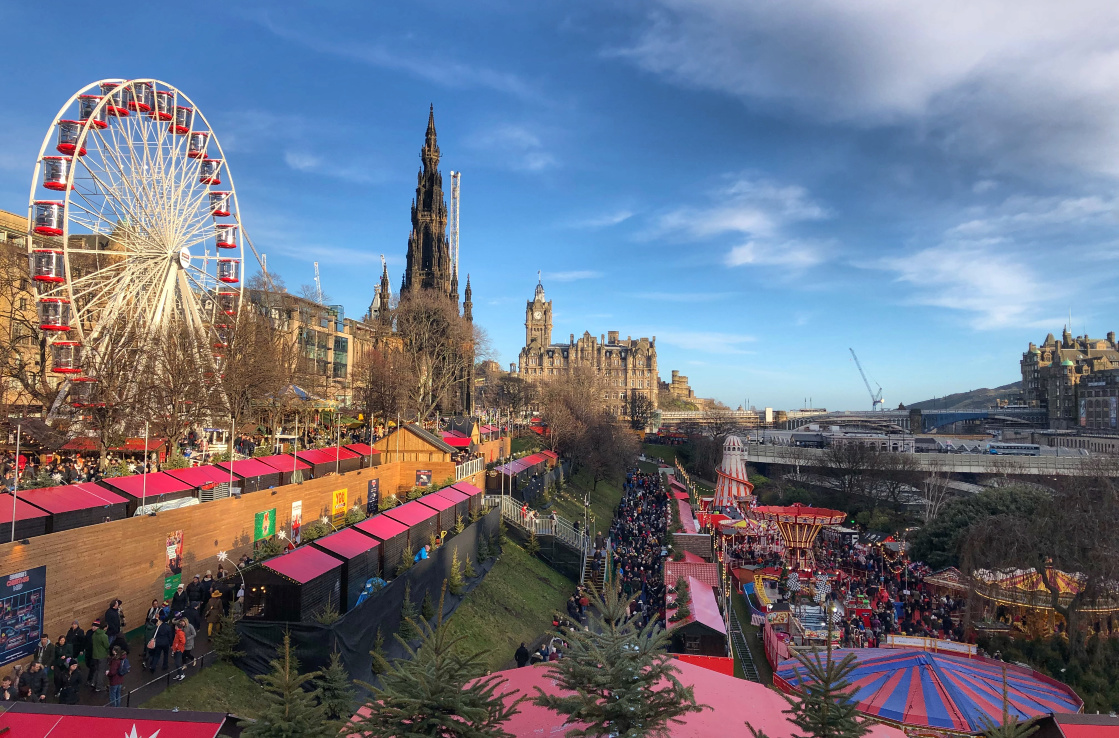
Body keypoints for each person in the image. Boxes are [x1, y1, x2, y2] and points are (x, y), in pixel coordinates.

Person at [89, 620, 109, 691]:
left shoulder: (94, 634)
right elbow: (107, 645)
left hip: (95, 655)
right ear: (105, 627)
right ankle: (99, 686)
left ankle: (93, 682)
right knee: (101, 671)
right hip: (102, 655)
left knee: (96, 670)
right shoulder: (104, 636)